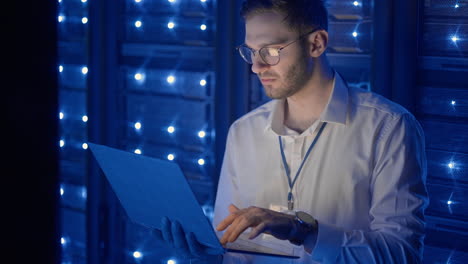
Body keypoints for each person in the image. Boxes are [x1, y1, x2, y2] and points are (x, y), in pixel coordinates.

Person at [157, 0, 429, 263]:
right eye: (251, 52)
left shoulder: (388, 127)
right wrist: (206, 256)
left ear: (316, 43)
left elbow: (402, 254)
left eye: (270, 51)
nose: (256, 66)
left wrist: (302, 230)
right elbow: (235, 250)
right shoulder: (243, 132)